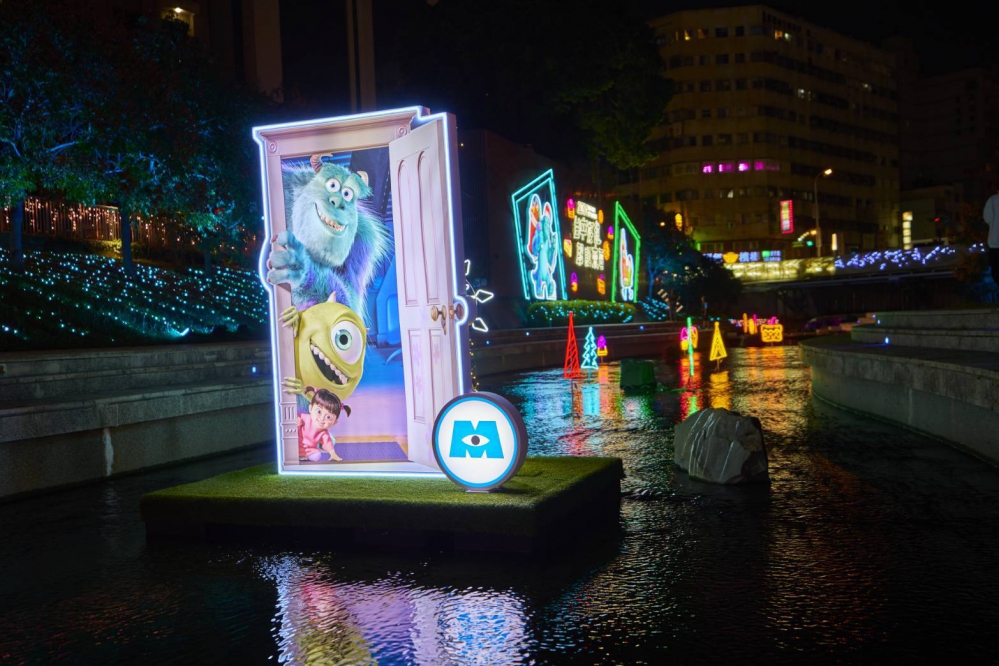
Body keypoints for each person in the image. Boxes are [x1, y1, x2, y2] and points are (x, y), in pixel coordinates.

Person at [298, 387, 351, 462]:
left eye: (328, 417)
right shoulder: (305, 418)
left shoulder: (324, 433)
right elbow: (297, 416)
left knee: (316, 455)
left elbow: (327, 443)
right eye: (319, 412)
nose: (322, 418)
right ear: (310, 409)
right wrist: (298, 420)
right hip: (296, 445)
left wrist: (333, 454)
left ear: (334, 422)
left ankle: (304, 455)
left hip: (310, 450)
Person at [984, 189, 999, 281]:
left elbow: (987, 218)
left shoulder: (992, 200)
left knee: (996, 273)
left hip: (995, 242)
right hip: (995, 243)